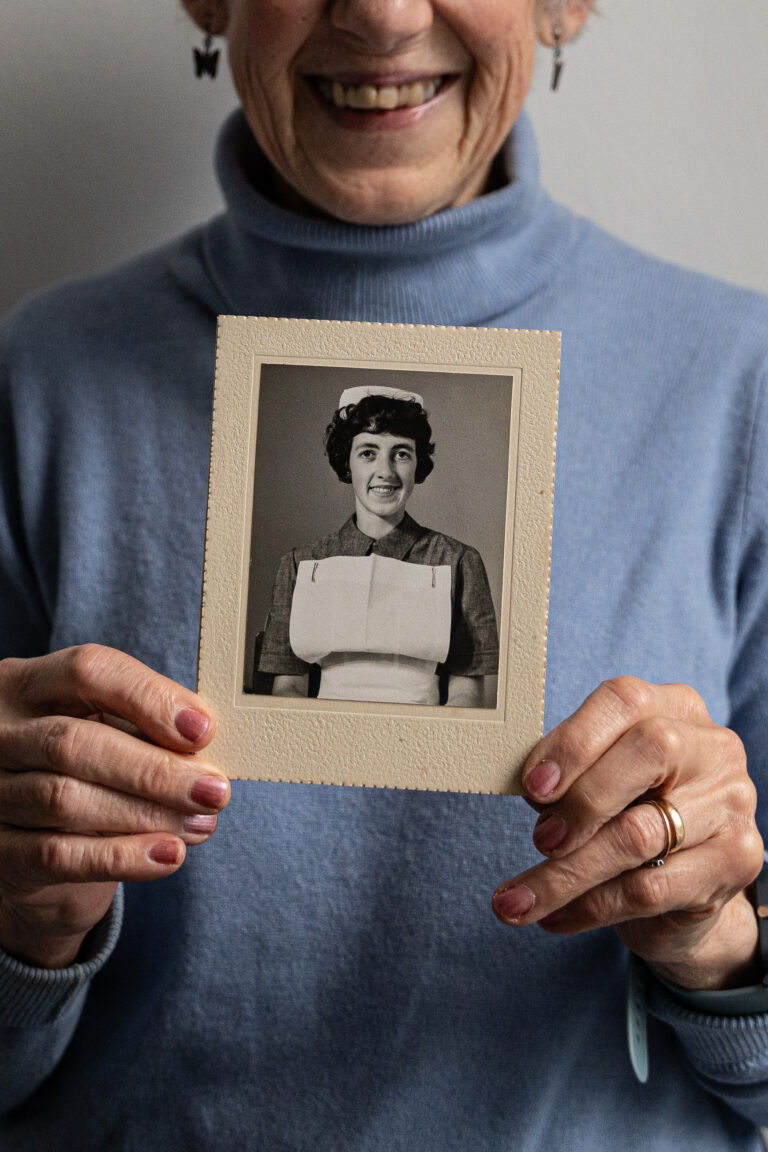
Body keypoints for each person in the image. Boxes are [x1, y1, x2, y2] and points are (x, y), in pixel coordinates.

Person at [1, 1, 767, 1148]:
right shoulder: (36, 387)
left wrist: (720, 948)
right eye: (366, 454)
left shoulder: (740, 392)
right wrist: (22, 931)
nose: (385, 11)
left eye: (401, 456)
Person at [258, 386, 499, 706]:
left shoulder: (458, 561)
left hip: (422, 741)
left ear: (417, 465)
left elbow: (466, 694)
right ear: (348, 463)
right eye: (368, 453)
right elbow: (287, 688)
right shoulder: (302, 564)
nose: (385, 472)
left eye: (401, 453)